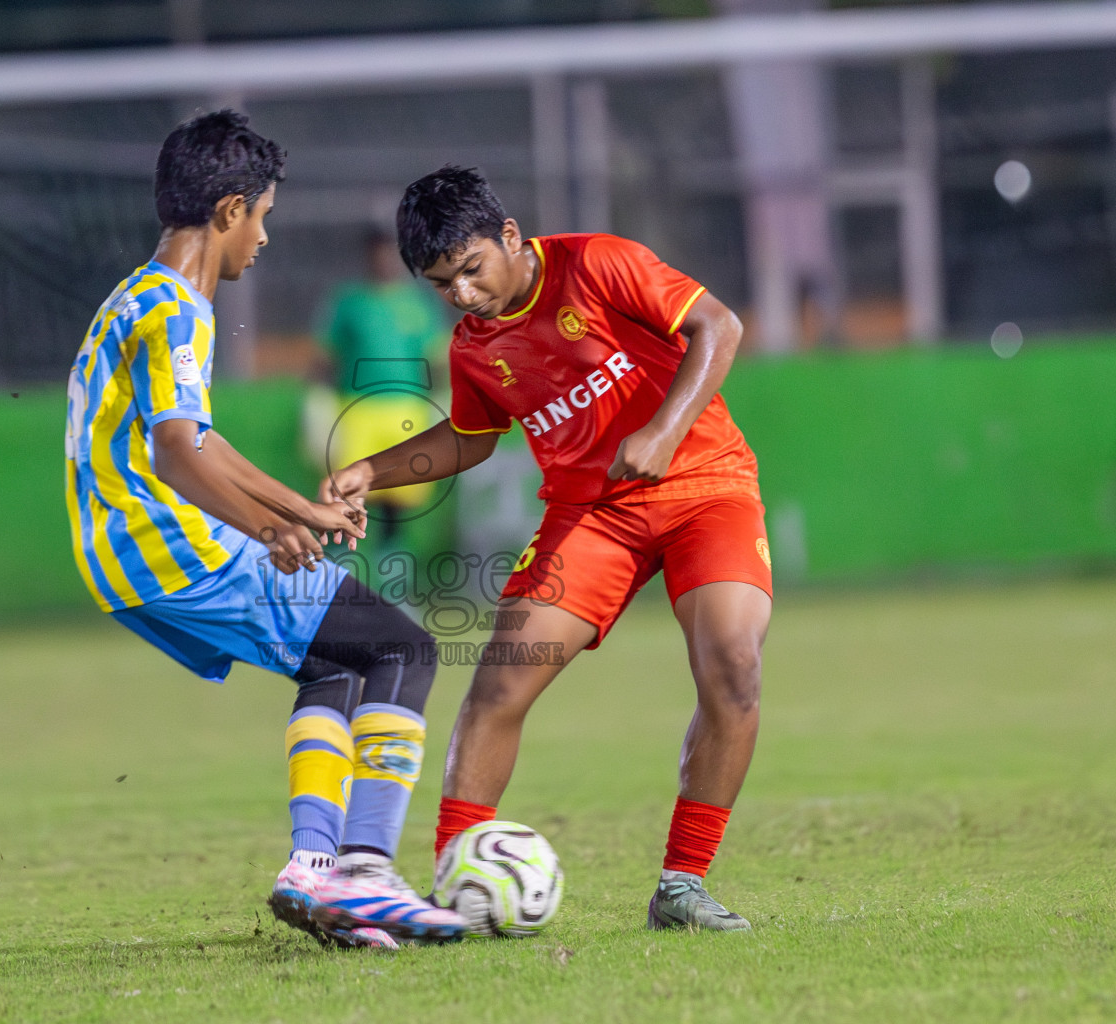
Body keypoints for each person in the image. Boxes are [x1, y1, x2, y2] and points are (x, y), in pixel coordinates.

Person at [323, 166, 772, 932]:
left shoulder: (598, 264)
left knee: (730, 662)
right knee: (500, 686)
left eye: (469, 270)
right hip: (592, 513)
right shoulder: (473, 347)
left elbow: (718, 327)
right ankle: (454, 888)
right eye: (441, 284)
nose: (461, 294)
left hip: (706, 485)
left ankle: (681, 887)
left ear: (508, 236)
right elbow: (469, 436)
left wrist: (661, 433)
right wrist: (371, 469)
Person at [64, 112, 465, 949]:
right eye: (263, 216)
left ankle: (314, 872)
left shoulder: (137, 296)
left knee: (333, 660)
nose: (265, 237)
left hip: (125, 559)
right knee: (404, 650)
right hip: (173, 548)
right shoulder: (176, 308)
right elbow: (178, 455)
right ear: (227, 212)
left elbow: (197, 438)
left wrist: (297, 511)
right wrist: (266, 529)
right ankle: (366, 869)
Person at [313, 228, 449, 543]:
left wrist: (441, 405)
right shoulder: (349, 303)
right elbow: (326, 358)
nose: (384, 259)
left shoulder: (418, 305)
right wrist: (318, 402)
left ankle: (393, 576)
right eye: (378, 251)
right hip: (356, 411)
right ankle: (338, 576)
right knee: (347, 494)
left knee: (398, 498)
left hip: (407, 411)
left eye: (391, 251)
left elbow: (436, 361)